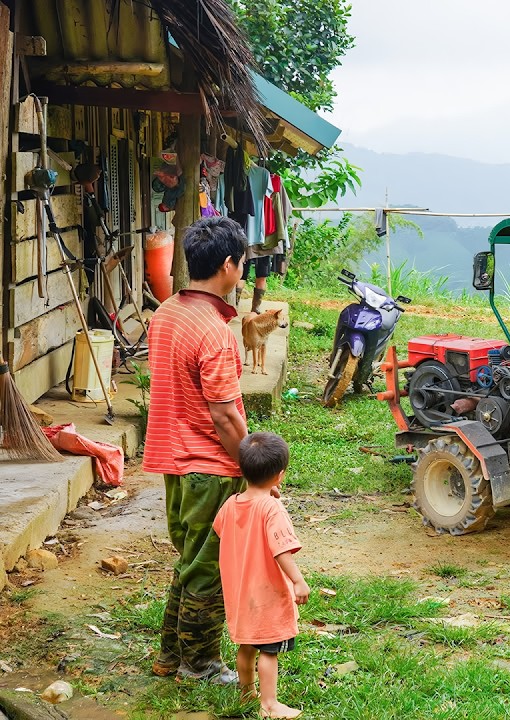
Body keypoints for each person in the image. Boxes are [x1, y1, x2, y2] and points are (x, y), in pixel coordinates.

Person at [142, 216, 250, 684]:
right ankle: (200, 663)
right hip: (209, 464)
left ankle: (170, 656)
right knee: (209, 567)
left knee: (189, 558)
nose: (242, 271)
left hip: (173, 459)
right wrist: (255, 464)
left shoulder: (166, 313)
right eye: (242, 263)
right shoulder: (215, 332)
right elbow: (225, 415)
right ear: (228, 265)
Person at [214, 432, 308, 719]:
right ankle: (269, 704)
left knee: (247, 645)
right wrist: (297, 580)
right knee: (269, 650)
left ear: (242, 470)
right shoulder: (272, 508)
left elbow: (220, 529)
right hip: (267, 594)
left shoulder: (231, 503)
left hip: (240, 591)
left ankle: (246, 693)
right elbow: (282, 551)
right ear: (279, 476)